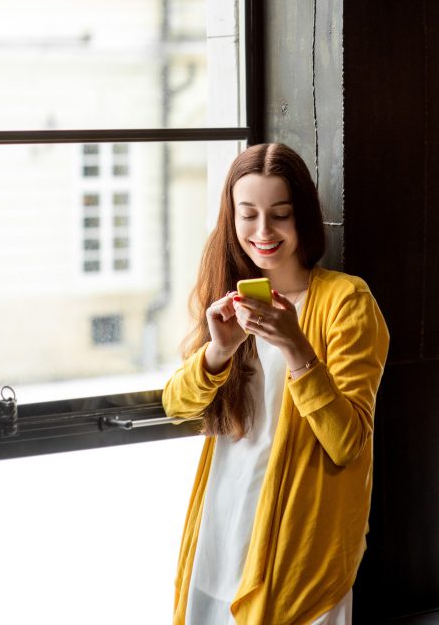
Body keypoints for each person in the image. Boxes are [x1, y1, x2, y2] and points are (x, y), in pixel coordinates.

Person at [162, 142, 390, 625]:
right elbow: (177, 406)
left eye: (279, 214)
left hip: (298, 548)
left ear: (302, 217)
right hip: (220, 533)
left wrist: (297, 348)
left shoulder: (346, 301)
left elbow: (348, 442)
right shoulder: (231, 299)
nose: (263, 232)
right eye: (248, 215)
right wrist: (218, 351)